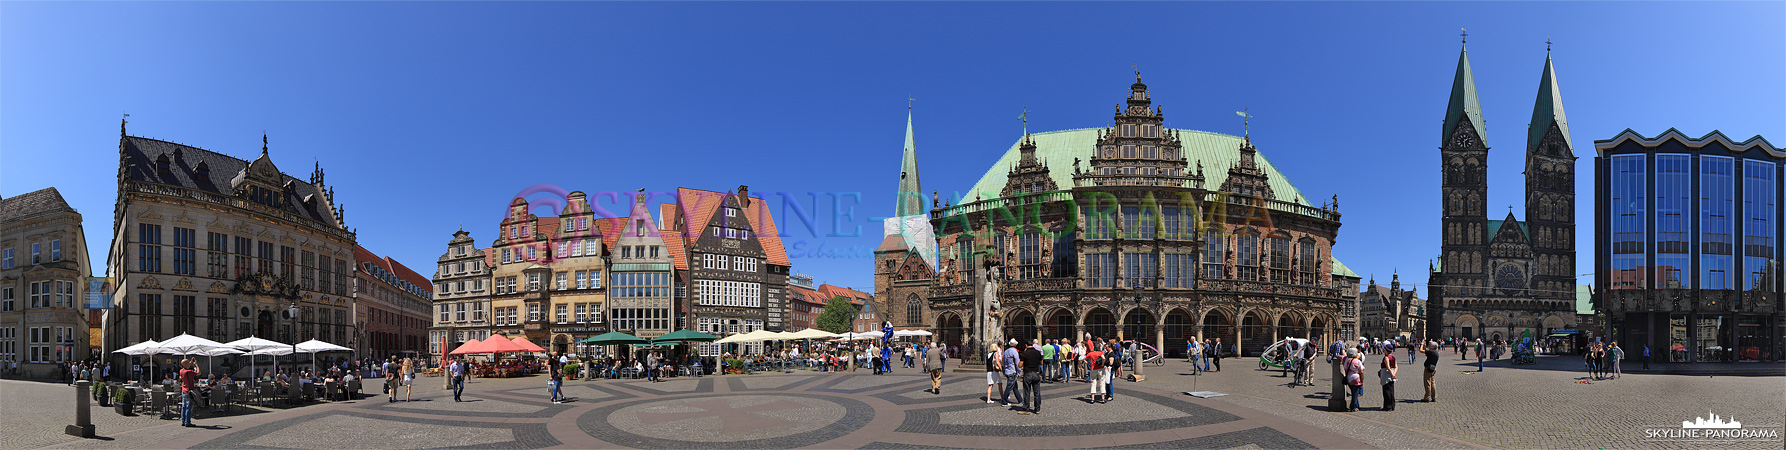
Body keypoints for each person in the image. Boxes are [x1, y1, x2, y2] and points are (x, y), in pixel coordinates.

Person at [1019, 339, 1044, 414]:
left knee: (1027, 392)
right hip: (1036, 373)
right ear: (1033, 344)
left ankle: (1026, 408)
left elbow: (1020, 365)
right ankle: (1037, 409)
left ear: (1026, 345)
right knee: (1037, 392)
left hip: (1028, 373)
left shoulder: (1024, 353)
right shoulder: (1037, 352)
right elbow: (1041, 363)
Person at [178, 358, 200, 427]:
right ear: (186, 364)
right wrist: (196, 365)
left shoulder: (181, 371)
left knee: (184, 407)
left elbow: (186, 366)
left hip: (183, 391)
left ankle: (183, 421)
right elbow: (199, 373)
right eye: (188, 363)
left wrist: (190, 362)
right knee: (189, 407)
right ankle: (188, 422)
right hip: (189, 391)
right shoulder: (189, 372)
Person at [1001, 338, 1023, 407]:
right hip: (1012, 371)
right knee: (1009, 387)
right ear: (1015, 345)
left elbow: (1003, 362)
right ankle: (1004, 401)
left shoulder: (1006, 351)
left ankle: (1020, 400)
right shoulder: (1014, 352)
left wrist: (1004, 370)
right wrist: (1019, 372)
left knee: (1015, 387)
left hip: (1007, 371)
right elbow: (1017, 363)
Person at [1344, 348, 1364, 412]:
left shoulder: (1345, 360)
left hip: (1348, 379)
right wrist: (1362, 381)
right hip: (1356, 379)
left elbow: (1339, 356)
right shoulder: (1357, 361)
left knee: (1354, 393)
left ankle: (1357, 406)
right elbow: (1361, 372)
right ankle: (1353, 407)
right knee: (1355, 394)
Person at [1379, 347, 1398, 411]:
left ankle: (1387, 406)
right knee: (1391, 391)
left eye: (1384, 350)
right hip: (1392, 374)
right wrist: (1394, 374)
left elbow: (1388, 367)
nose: (1383, 351)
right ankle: (1392, 405)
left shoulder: (1386, 358)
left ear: (1386, 351)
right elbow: (1396, 367)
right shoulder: (1393, 357)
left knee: (1386, 391)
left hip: (1386, 375)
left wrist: (1392, 375)